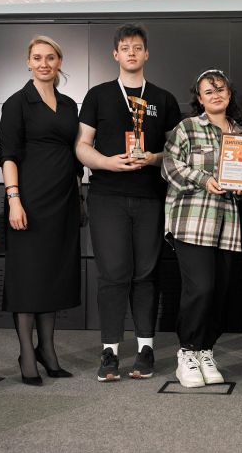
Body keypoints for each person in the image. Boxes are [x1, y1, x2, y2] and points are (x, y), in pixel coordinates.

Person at [76, 24, 182, 382]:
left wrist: (153, 159)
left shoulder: (163, 99)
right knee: (112, 274)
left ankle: (145, 349)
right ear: (115, 54)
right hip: (107, 196)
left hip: (150, 197)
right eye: (125, 48)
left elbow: (176, 151)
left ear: (146, 53)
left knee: (145, 274)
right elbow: (82, 146)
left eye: (137, 47)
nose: (132, 53)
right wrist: (107, 162)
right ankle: (109, 352)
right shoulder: (98, 95)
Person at [0, 36, 81, 386]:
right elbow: (7, 154)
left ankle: (47, 349)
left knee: (52, 276)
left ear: (59, 62)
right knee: (28, 277)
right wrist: (14, 199)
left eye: (50, 57)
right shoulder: (17, 103)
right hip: (29, 200)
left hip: (63, 201)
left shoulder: (69, 104)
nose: (44, 63)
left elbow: (76, 153)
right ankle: (26, 354)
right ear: (28, 62)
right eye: (37, 58)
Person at [162, 69, 242, 388]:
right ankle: (186, 352)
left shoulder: (241, 133)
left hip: (228, 226)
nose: (215, 95)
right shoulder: (187, 128)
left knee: (220, 292)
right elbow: (170, 167)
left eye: (220, 89)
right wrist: (204, 179)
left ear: (229, 94)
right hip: (192, 221)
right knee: (200, 288)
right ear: (199, 98)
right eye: (208, 91)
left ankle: (205, 350)